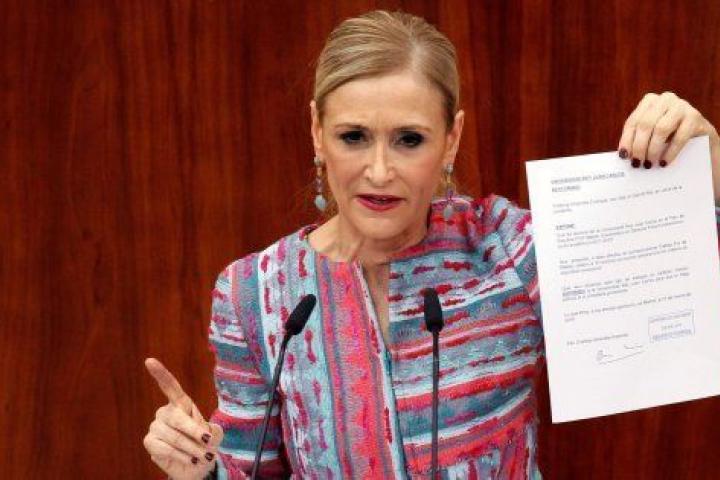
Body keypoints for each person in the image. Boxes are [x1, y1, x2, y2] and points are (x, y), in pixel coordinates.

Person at [142, 9, 720, 480]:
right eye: (353, 136)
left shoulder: (508, 250)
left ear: (451, 138)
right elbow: (248, 471)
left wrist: (707, 171)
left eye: (409, 139)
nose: (378, 171)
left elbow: (687, 282)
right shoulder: (253, 293)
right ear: (317, 132)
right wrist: (200, 469)